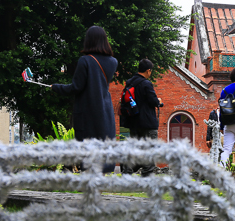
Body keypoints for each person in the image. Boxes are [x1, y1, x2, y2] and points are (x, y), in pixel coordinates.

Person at [52, 26, 118, 173]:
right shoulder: (113, 62)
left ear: (89, 41)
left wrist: (56, 87)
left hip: (88, 110)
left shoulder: (85, 61)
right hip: (105, 109)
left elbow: (76, 87)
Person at [121, 59, 163, 176]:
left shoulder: (129, 82)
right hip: (147, 122)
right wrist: (158, 101)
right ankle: (147, 175)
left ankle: (127, 173)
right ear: (148, 70)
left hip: (132, 121)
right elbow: (152, 101)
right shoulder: (146, 83)